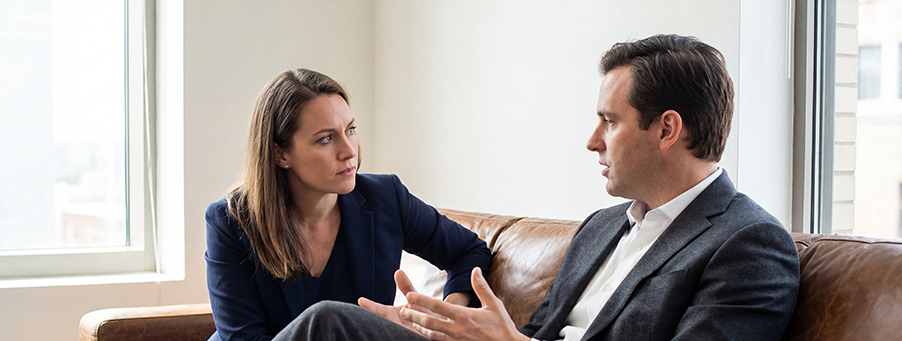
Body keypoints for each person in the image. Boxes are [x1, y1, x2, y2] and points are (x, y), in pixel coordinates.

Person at [271, 34, 801, 341]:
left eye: (609, 122)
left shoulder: (748, 245)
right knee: (336, 327)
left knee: (326, 324)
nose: (592, 141)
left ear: (666, 129)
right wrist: (445, 328)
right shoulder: (601, 229)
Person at [204, 68, 492, 340]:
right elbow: (243, 337)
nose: (349, 150)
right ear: (280, 154)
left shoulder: (385, 197)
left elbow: (469, 252)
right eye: (326, 139)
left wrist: (442, 315)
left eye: (350, 130)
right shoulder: (230, 222)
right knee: (326, 318)